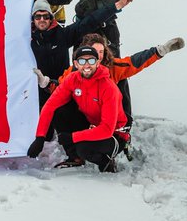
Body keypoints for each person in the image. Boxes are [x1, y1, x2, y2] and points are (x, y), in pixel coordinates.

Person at [27, 44, 128, 173]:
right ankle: (75, 158)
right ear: (76, 63)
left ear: (98, 63)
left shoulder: (109, 88)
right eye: (82, 61)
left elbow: (107, 129)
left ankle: (106, 161)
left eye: (91, 60)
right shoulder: (72, 79)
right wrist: (40, 138)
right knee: (59, 110)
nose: (86, 65)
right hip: (92, 124)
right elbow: (49, 106)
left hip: (114, 134)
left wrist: (73, 137)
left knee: (83, 147)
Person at [30, 0, 136, 105]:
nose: (42, 19)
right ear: (33, 19)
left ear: (51, 18)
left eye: (46, 16)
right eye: (38, 16)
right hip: (36, 93)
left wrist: (117, 6)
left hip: (61, 90)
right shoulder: (28, 40)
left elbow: (90, 21)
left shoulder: (63, 35)